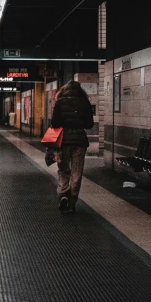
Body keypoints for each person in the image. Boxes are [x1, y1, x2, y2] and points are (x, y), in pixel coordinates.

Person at [51, 79, 94, 213]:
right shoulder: (84, 103)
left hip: (63, 141)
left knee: (63, 169)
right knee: (77, 171)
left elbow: (54, 123)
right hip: (80, 142)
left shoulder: (59, 102)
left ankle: (63, 194)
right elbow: (89, 124)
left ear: (64, 90)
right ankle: (72, 199)